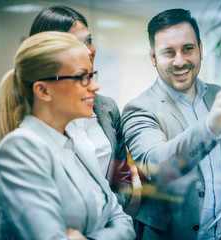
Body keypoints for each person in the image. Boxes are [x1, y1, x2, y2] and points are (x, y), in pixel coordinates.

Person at [121, 8, 221, 240]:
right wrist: (210, 126)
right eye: (168, 52)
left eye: (188, 49)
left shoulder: (217, 95)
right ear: (153, 58)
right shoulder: (139, 108)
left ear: (200, 49)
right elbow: (157, 166)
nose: (180, 61)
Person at [0, 31, 135, 239]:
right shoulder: (19, 149)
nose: (95, 86)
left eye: (92, 76)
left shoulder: (76, 146)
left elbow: (124, 223)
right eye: (81, 77)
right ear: (43, 91)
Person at [29, 5, 133, 209]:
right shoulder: (29, 112)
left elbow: (123, 181)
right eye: (74, 44)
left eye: (89, 40)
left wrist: (108, 214)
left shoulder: (107, 108)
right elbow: (8, 202)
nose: (88, 51)